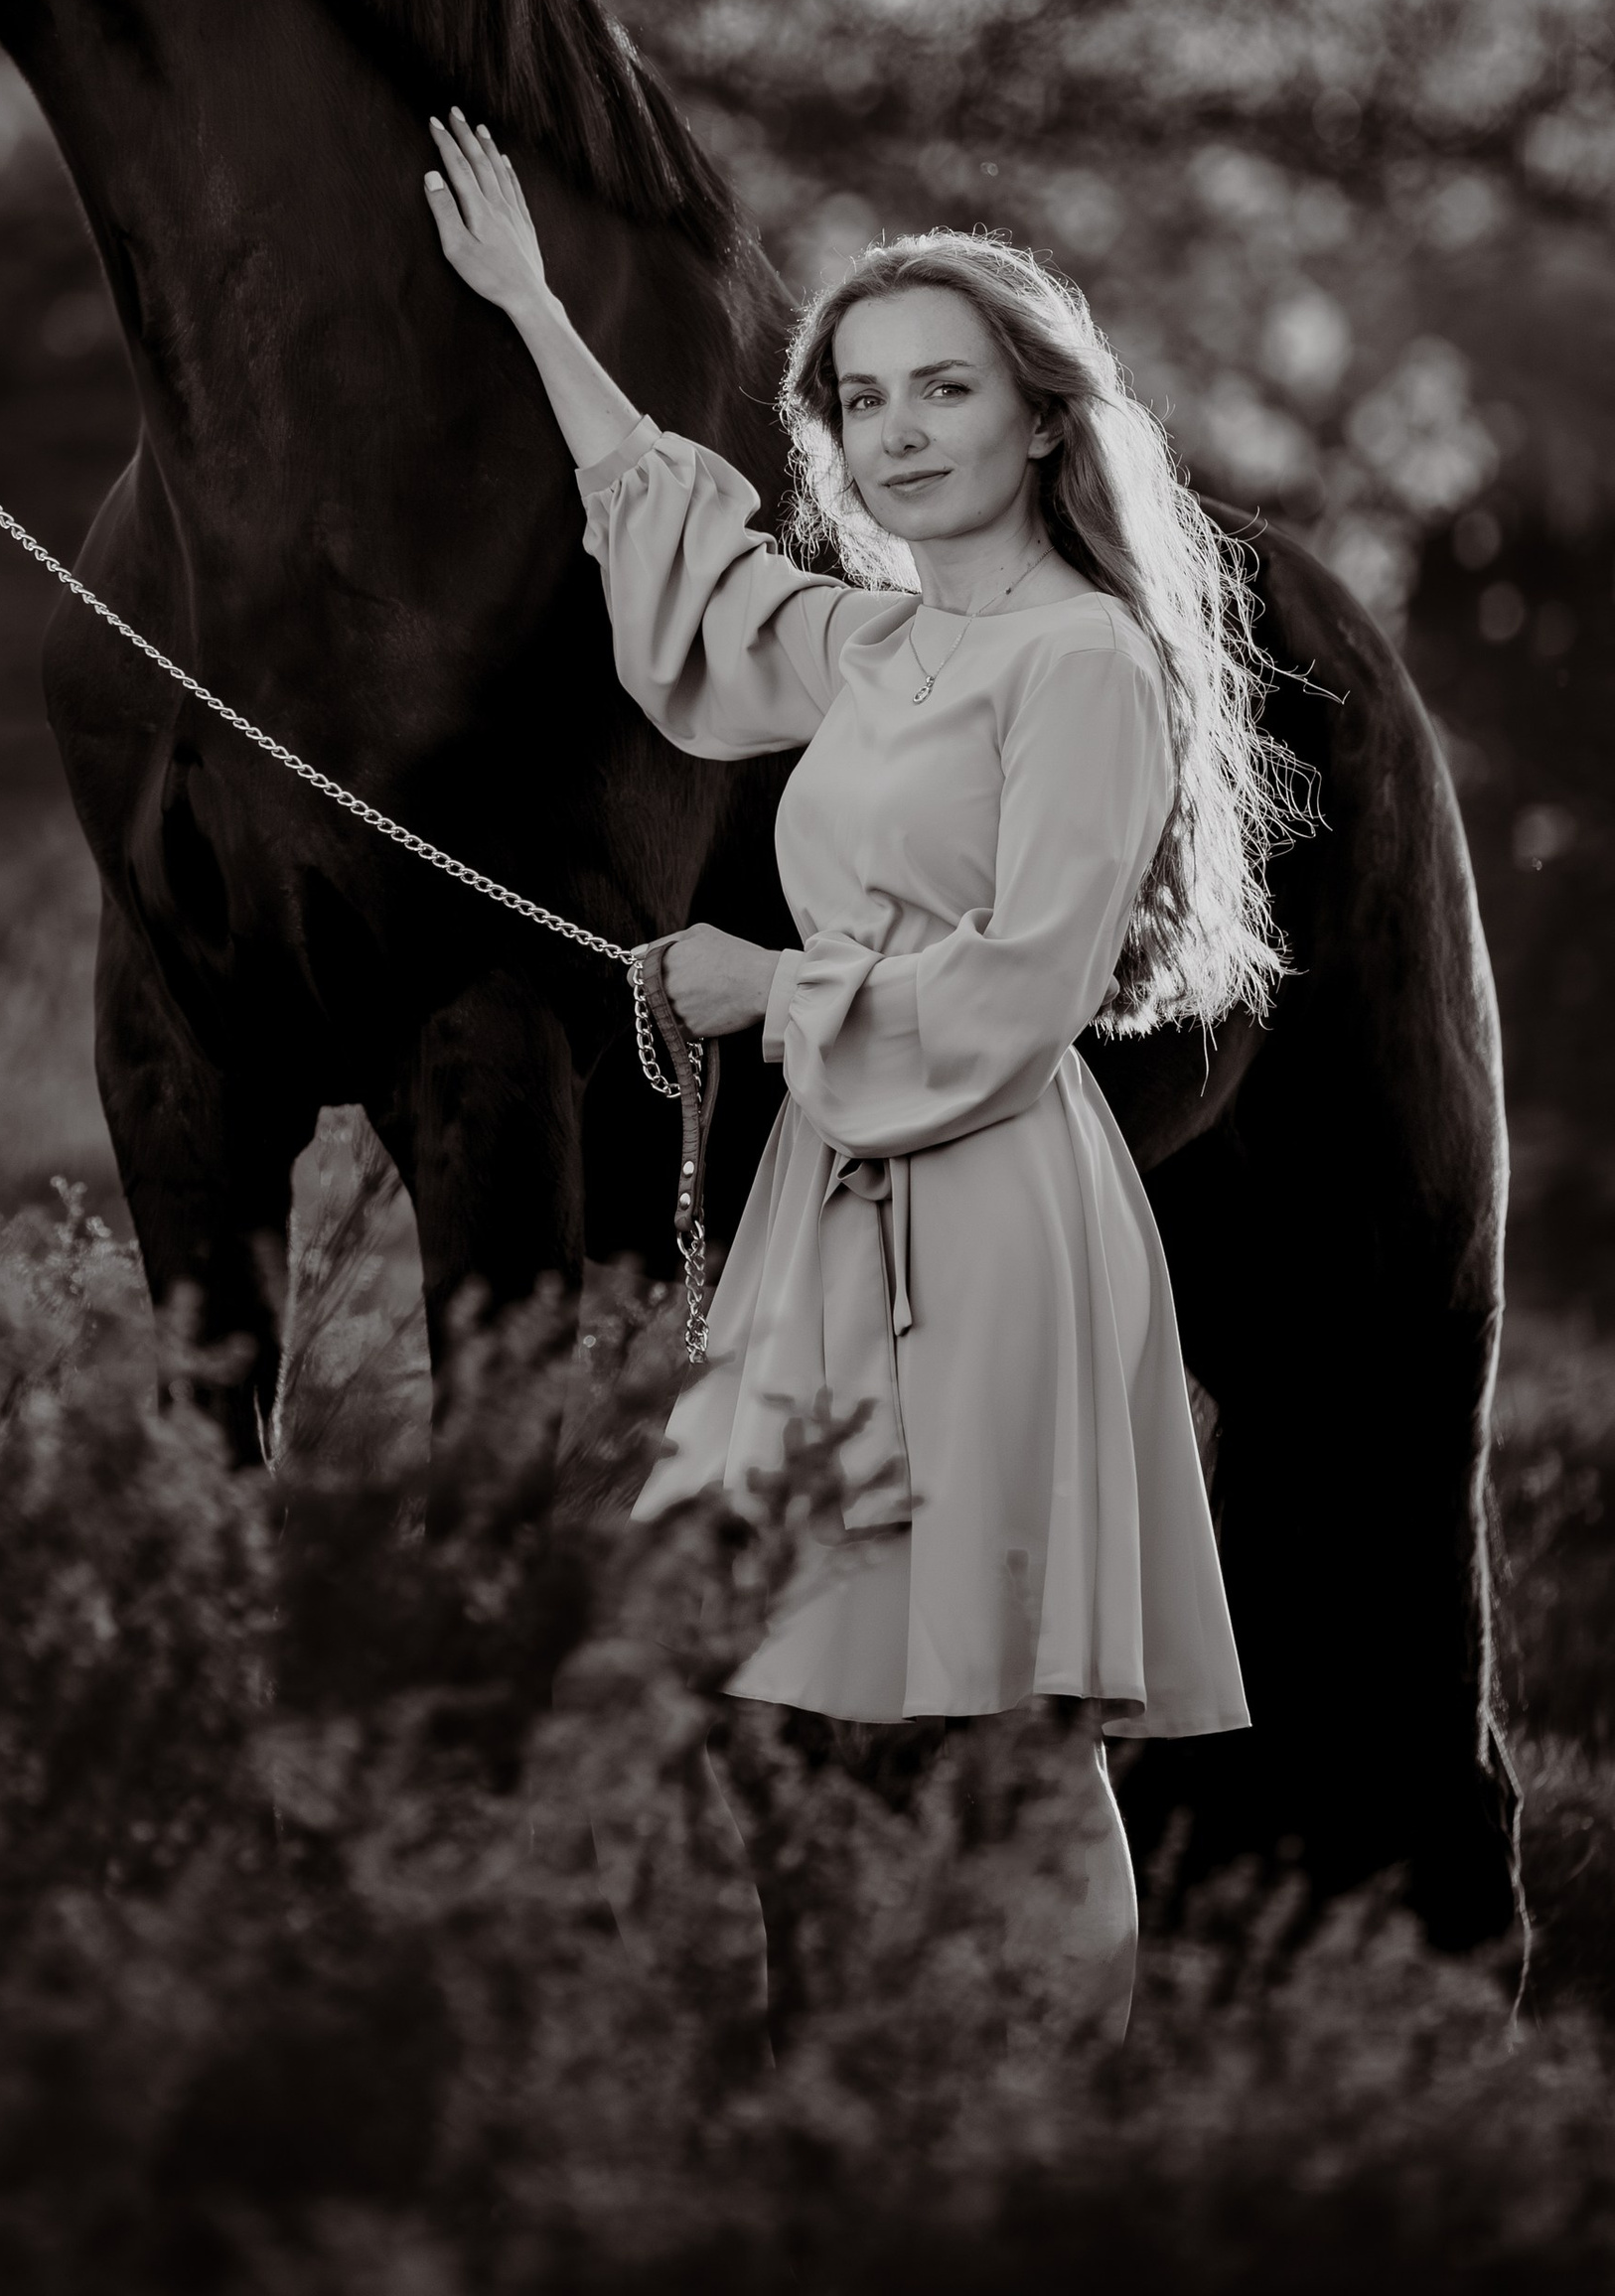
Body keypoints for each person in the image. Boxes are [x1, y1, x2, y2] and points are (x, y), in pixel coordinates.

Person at [423, 111, 1285, 2038]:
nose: (895, 432)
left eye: (943, 391)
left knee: (1011, 1723)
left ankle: (1029, 2154)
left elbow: (1021, 996)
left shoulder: (1079, 664)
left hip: (984, 1213)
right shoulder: (890, 644)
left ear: (1041, 421)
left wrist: (767, 986)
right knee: (702, 1628)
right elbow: (703, 584)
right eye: (861, 398)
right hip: (829, 1211)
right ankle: (801, 2072)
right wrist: (531, 314)